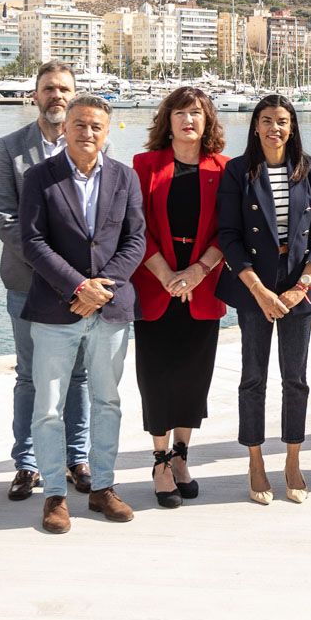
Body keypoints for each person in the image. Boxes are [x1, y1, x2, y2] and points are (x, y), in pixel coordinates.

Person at [18, 94, 145, 528]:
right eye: (79, 125)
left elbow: (135, 240)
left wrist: (101, 289)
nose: (87, 133)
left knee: (107, 400)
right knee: (49, 406)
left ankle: (103, 488)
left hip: (110, 310)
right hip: (56, 309)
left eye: (95, 126)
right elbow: (32, 241)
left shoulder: (125, 178)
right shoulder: (40, 177)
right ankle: (54, 493)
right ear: (64, 128)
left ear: (107, 131)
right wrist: (78, 286)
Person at [217, 95, 311, 504]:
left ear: (292, 126)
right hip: (254, 289)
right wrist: (259, 290)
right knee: (253, 378)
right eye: (267, 120)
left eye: (282, 121)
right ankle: (254, 461)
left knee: (295, 379)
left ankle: (292, 460)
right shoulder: (238, 172)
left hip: (298, 287)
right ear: (255, 126)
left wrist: (300, 286)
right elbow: (228, 237)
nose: (275, 128)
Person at [0, 62, 92, 501]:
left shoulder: (89, 145)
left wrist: (72, 275)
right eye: (49, 89)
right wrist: (51, 266)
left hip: (81, 286)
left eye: (64, 89)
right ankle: (27, 464)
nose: (57, 95)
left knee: (79, 374)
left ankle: (77, 457)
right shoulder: (11, 147)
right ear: (34, 95)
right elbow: (5, 217)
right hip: (26, 282)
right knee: (30, 377)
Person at [130, 87, 229, 508]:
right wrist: (170, 276)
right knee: (156, 378)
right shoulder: (145, 165)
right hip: (156, 284)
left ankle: (182, 456)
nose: (189, 120)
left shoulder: (225, 168)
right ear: (167, 120)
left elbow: (230, 231)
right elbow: (135, 228)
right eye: (181, 113)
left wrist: (196, 273)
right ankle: (158, 461)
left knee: (192, 377)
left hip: (202, 286)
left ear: (207, 121)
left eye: (197, 113)